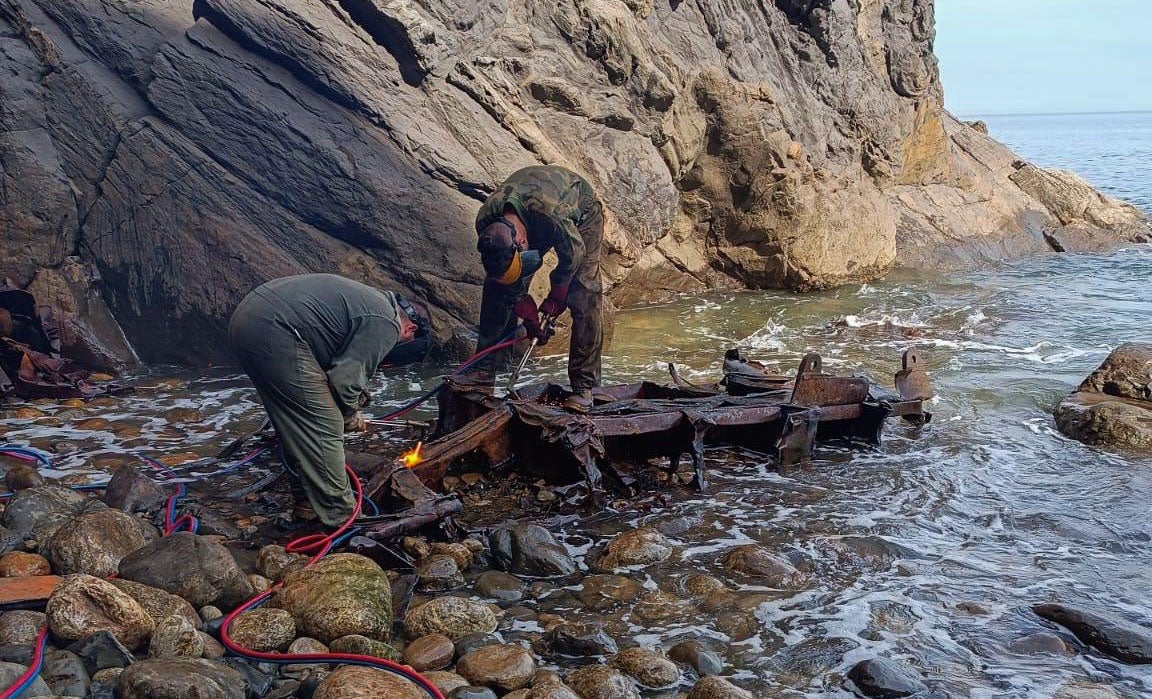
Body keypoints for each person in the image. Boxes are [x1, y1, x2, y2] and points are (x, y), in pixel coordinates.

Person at [227, 274, 431, 528]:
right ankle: (342, 518)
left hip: (250, 318)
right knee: (325, 423)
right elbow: (344, 381)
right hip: (275, 328)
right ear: (410, 329)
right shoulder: (387, 323)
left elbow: (333, 367)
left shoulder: (373, 302)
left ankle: (307, 505)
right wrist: (349, 416)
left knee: (296, 423)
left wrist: (351, 403)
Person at [472, 165, 605, 412]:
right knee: (495, 290)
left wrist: (558, 294)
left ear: (522, 243)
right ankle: (482, 372)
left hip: (581, 213)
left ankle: (585, 386)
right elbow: (508, 285)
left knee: (584, 293)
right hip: (533, 216)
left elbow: (572, 259)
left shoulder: (554, 216)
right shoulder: (486, 222)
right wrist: (528, 312)